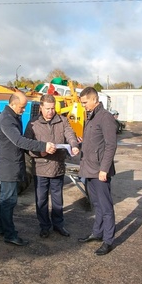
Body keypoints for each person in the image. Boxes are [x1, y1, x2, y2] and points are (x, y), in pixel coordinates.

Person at [0, 91, 57, 246]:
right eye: (22, 107)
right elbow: (19, 141)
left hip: (10, 164)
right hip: (8, 166)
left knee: (4, 199)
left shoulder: (13, 116)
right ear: (13, 103)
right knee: (9, 200)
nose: (23, 110)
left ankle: (1, 228)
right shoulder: (7, 120)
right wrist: (43, 146)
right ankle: (10, 234)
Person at [24, 94, 80, 238]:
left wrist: (74, 146)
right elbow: (27, 144)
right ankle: (44, 226)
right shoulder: (33, 124)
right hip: (40, 168)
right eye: (47, 108)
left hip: (57, 167)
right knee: (41, 199)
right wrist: (40, 153)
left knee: (57, 199)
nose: (50, 111)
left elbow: (70, 134)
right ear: (41, 108)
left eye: (53, 108)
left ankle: (58, 225)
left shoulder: (62, 120)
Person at [77, 87, 117, 256]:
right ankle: (97, 233)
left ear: (94, 99)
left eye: (85, 102)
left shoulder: (105, 117)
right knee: (97, 205)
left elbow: (111, 145)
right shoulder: (91, 116)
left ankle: (108, 241)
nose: (83, 105)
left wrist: (104, 169)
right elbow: (94, 141)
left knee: (106, 207)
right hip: (89, 169)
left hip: (100, 171)